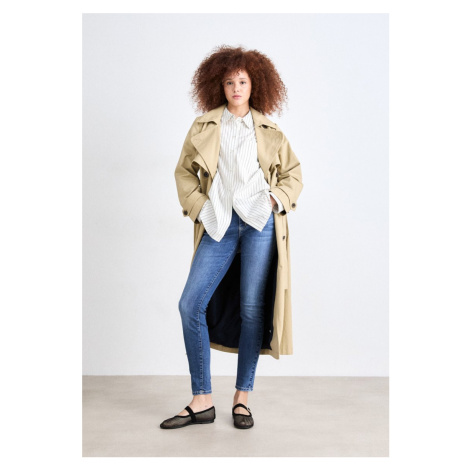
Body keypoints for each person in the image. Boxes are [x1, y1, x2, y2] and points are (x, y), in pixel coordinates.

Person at [160, 45, 303, 430]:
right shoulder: (204, 127)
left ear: (255, 85)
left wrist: (273, 199)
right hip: (219, 224)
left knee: (252, 309)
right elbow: (184, 174)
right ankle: (202, 400)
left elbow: (293, 175)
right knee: (191, 304)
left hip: (259, 225)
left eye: (242, 81)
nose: (236, 88)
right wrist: (200, 208)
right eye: (229, 82)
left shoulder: (270, 131)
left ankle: (242, 397)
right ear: (218, 86)